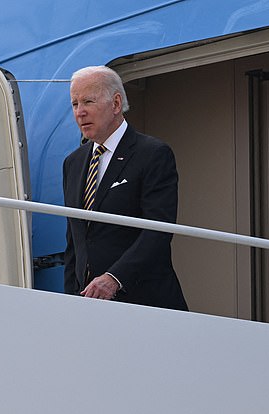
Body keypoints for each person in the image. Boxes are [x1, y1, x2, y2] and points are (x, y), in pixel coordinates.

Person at [62, 65, 188, 310]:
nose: (80, 112)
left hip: (144, 301)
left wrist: (114, 278)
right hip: (89, 305)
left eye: (88, 101)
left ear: (116, 104)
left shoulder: (152, 154)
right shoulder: (73, 163)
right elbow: (74, 241)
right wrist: (70, 300)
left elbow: (158, 230)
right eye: (75, 104)